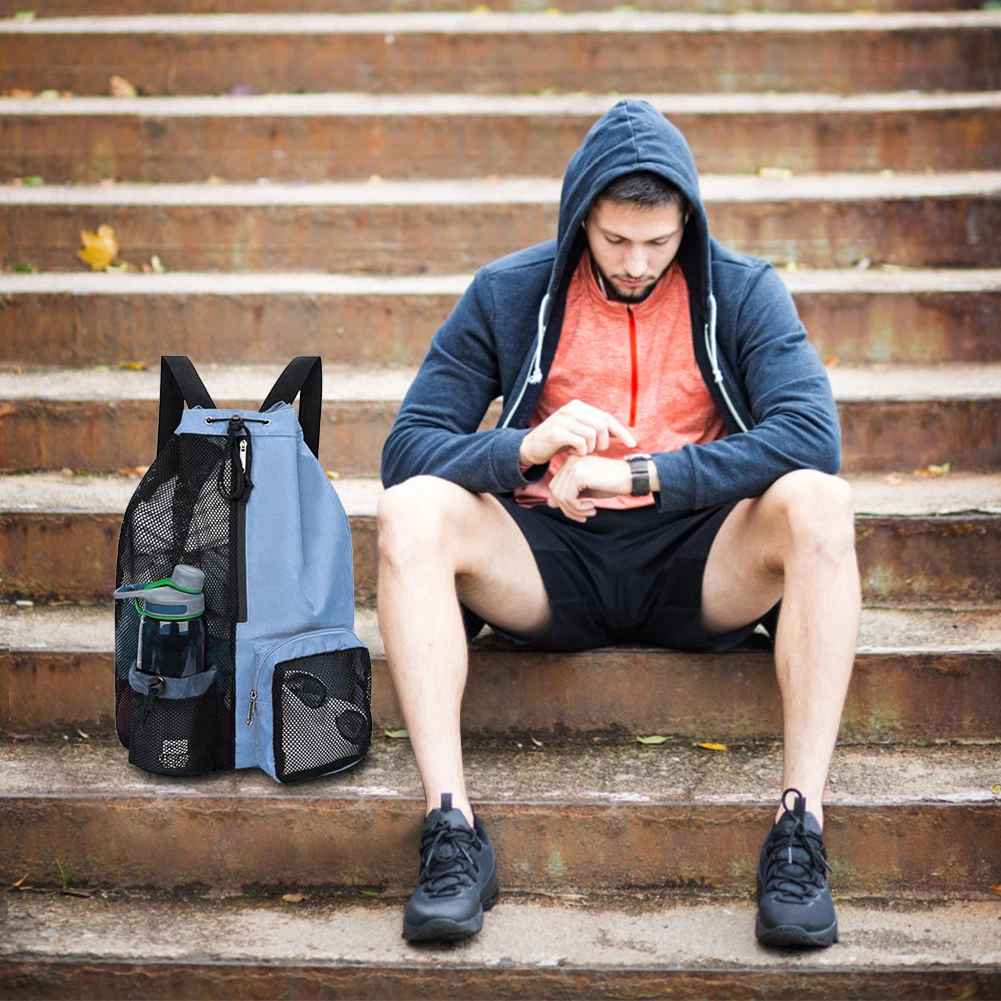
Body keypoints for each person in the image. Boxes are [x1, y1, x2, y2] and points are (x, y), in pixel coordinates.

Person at [377, 99, 859, 948]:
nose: (636, 263)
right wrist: (525, 448)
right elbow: (407, 446)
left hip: (697, 555)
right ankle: (452, 829)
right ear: (579, 221)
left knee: (821, 501)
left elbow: (810, 435)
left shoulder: (741, 289)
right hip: (547, 558)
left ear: (688, 224)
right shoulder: (507, 292)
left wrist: (643, 473)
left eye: (658, 242)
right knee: (409, 509)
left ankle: (799, 830)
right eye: (614, 240)